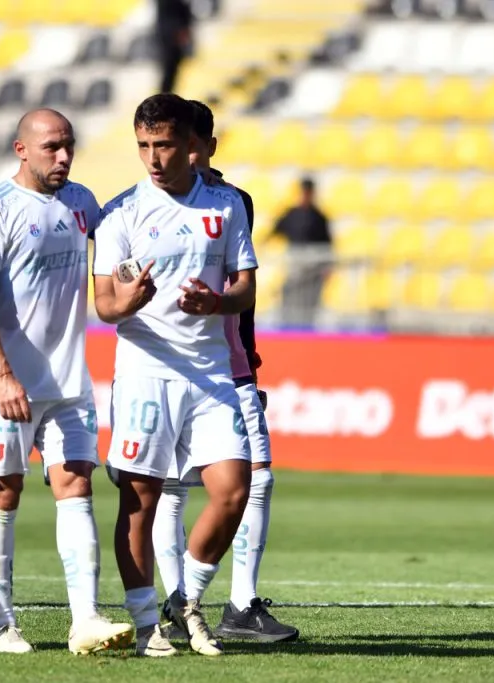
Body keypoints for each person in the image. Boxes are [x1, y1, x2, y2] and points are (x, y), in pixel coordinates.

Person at [0, 108, 135, 655]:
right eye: (52, 148)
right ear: (21, 150)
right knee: (2, 491)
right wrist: (2, 374)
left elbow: (119, 246)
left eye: (69, 146)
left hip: (69, 383)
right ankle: (2, 625)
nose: (63, 157)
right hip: (8, 384)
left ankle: (85, 620)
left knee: (77, 486)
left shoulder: (80, 203)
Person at [93, 93, 256, 657]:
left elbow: (245, 287)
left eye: (162, 145)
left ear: (191, 145)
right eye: (143, 146)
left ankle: (184, 600)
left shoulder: (226, 205)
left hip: (210, 373)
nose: (153, 158)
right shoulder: (120, 212)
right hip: (146, 371)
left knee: (233, 491)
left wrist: (218, 302)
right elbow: (105, 305)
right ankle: (146, 626)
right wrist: (130, 301)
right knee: (139, 502)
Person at [151, 100, 299, 644]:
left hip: (230, 365)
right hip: (167, 366)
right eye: (174, 146)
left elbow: (242, 289)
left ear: (208, 147)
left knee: (257, 479)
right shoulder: (147, 205)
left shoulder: (234, 203)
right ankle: (177, 601)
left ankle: (240, 603)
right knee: (172, 489)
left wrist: (251, 359)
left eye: (192, 146)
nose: (181, 157)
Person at [272, 176, 332, 328]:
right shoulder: (291, 214)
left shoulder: (319, 217)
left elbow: (327, 244)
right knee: (290, 292)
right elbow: (275, 230)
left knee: (310, 298)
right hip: (295, 263)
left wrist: (327, 267)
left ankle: (307, 327)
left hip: (313, 266)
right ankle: (288, 324)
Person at [155, 0, 194, 93]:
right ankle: (165, 95)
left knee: (172, 69)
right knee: (169, 69)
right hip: (171, 34)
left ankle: (167, 94)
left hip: (171, 33)